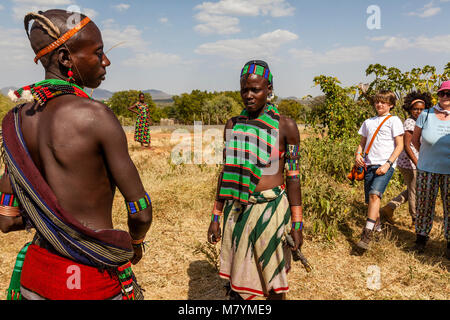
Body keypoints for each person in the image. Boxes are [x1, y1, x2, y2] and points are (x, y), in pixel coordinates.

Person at [0, 9, 152, 300]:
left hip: (36, 277)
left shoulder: (16, 119)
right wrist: (135, 244)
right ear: (66, 58)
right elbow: (140, 210)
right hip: (94, 280)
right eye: (98, 52)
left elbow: (6, 219)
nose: (105, 61)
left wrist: (47, 223)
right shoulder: (96, 116)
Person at [207, 60, 303, 300]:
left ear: (269, 89)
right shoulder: (233, 125)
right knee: (236, 287)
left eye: (255, 90)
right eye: (244, 90)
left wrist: (298, 224)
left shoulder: (286, 127)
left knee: (273, 283)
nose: (248, 96)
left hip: (271, 213)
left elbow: (293, 178)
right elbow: (224, 174)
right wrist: (215, 217)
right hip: (237, 211)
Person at [355, 90, 404, 251]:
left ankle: (366, 234)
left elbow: (400, 145)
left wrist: (388, 164)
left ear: (391, 105)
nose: (379, 105)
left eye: (383, 102)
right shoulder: (368, 121)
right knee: (371, 202)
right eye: (377, 102)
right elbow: (362, 142)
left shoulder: (394, 120)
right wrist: (358, 155)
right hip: (369, 164)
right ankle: (378, 231)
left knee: (375, 195)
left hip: (385, 165)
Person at [380, 92, 432, 228]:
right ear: (410, 109)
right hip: (410, 163)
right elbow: (407, 146)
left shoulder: (421, 122)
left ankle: (389, 208)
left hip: (416, 161)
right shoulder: (410, 122)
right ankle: (415, 219)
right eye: (415, 109)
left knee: (412, 189)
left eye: (421, 109)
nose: (418, 112)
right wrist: (417, 162)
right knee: (415, 191)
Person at [411, 81, 450, 259]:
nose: (444, 97)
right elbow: (415, 140)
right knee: (425, 205)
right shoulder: (425, 115)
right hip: (427, 168)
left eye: (448, 94)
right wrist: (427, 155)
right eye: (442, 93)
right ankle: (421, 239)